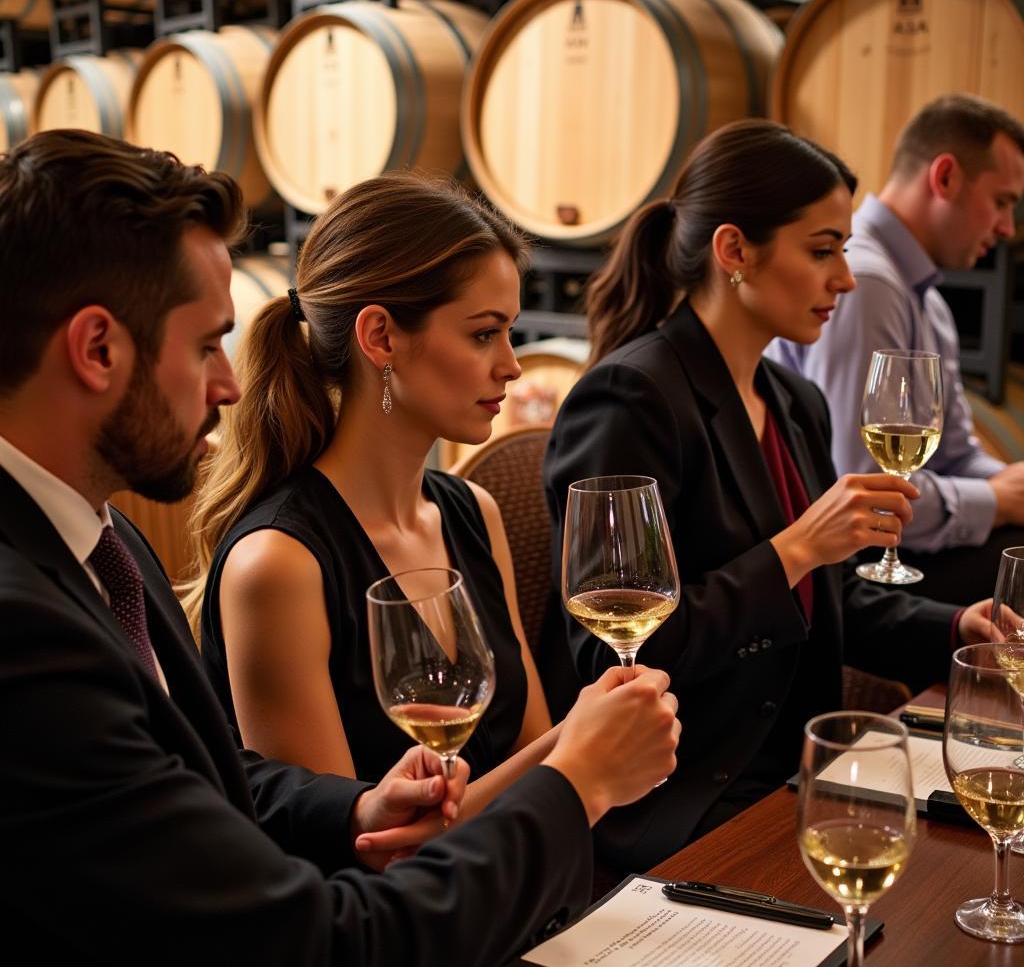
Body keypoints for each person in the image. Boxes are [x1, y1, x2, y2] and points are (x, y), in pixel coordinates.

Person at [0, 128, 681, 963]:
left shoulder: (111, 545)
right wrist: (576, 781)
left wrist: (355, 807)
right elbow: (314, 935)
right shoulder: (27, 628)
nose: (228, 383)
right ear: (98, 347)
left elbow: (212, 784)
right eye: (208, 343)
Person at [543, 119, 1001, 874]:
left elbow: (827, 601)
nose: (845, 279)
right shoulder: (632, 398)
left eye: (845, 251)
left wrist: (956, 627)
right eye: (822, 250)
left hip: (795, 768)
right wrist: (793, 549)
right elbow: (617, 655)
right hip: (679, 795)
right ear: (734, 252)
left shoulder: (791, 399)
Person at [190, 175, 598, 816]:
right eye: (484, 333)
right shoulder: (278, 565)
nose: (513, 366)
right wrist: (585, 749)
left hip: (523, 892)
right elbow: (352, 858)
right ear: (380, 337)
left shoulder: (473, 513)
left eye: (511, 333)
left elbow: (532, 758)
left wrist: (579, 755)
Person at [767, 95, 1024, 605]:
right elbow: (858, 486)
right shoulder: (868, 282)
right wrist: (994, 502)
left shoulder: (926, 297)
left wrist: (1007, 484)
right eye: (1002, 201)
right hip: (843, 568)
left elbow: (950, 453)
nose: (1008, 229)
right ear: (945, 177)